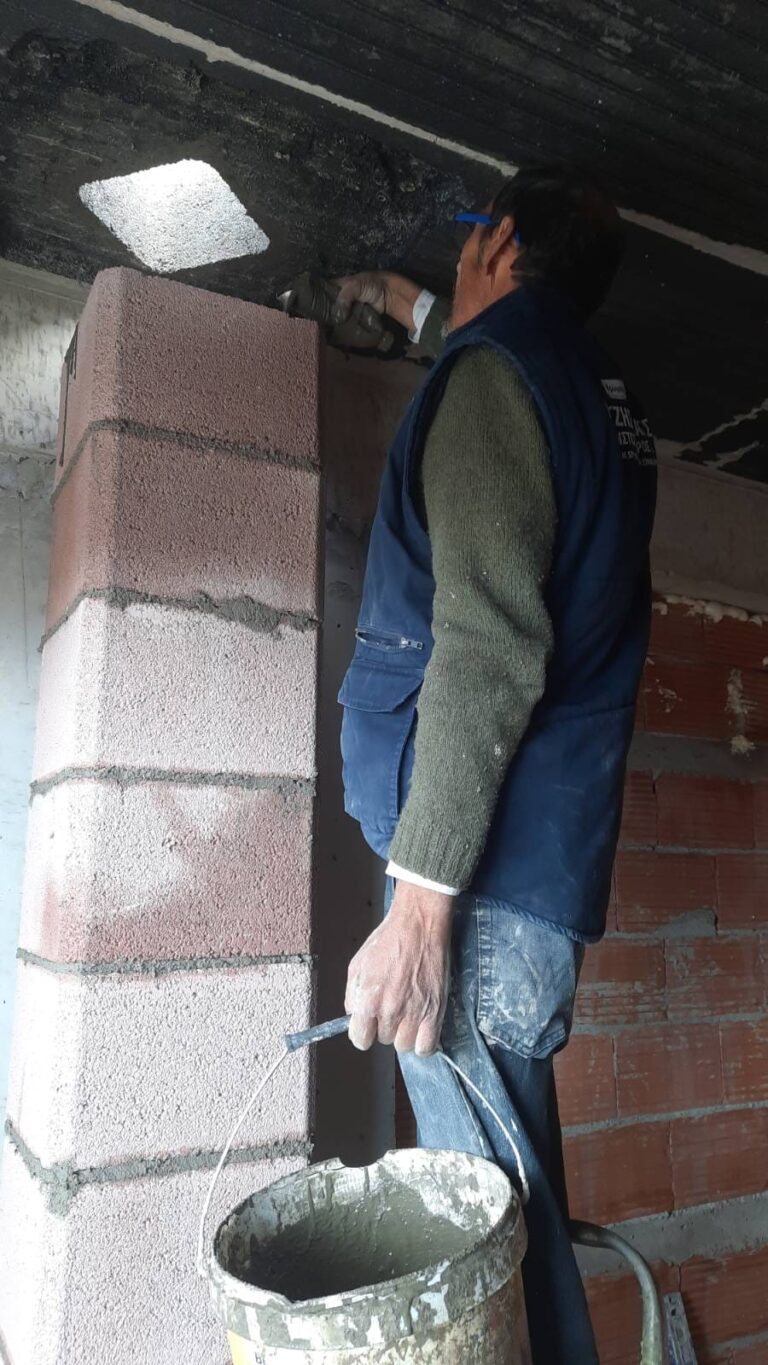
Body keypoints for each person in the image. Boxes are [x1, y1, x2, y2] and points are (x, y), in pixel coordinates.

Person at [333, 164, 657, 1363]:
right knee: (511, 1235)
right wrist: (428, 317)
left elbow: (486, 648)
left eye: (474, 233)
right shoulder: (595, 395)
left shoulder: (497, 378)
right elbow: (508, 431)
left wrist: (419, 916)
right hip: (527, 884)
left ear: (502, 239)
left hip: (467, 894)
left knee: (491, 1262)